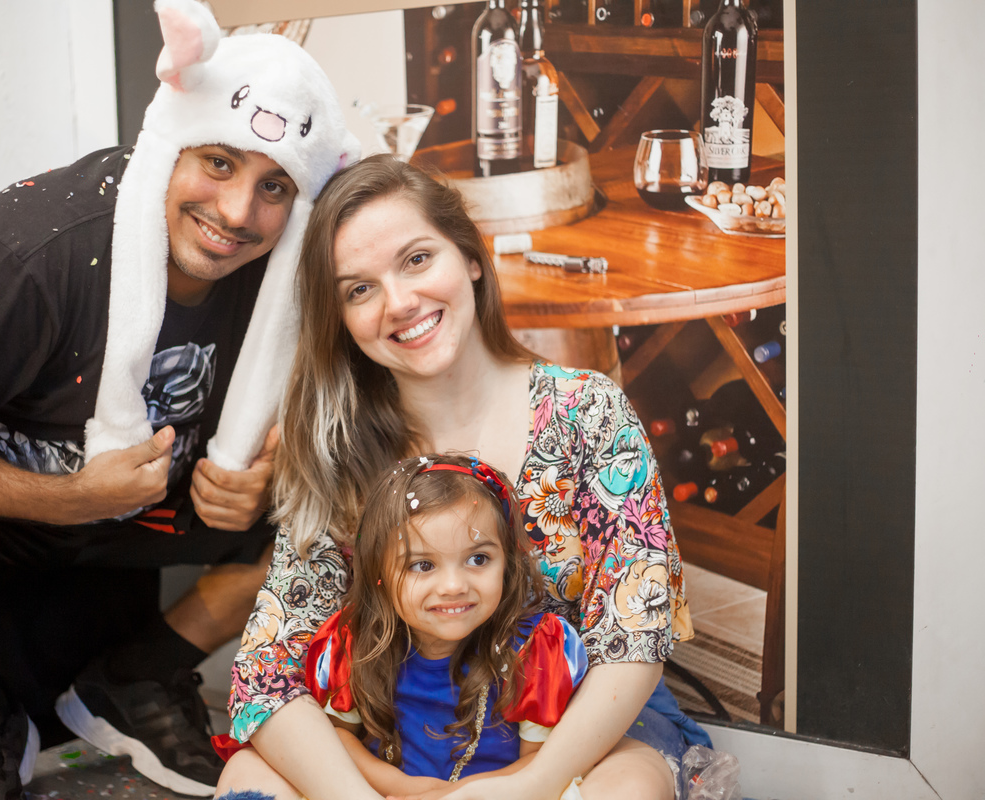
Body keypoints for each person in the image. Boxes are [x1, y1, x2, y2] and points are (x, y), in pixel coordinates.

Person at [0, 1, 359, 798]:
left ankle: (138, 676)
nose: (238, 214)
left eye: (273, 185)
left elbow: (333, 418)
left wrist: (267, 476)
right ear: (172, 140)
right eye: (218, 163)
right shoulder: (23, 252)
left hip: (150, 500)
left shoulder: (293, 266)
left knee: (359, 514)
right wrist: (69, 499)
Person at [215, 154, 709, 800]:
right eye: (359, 290)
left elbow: (635, 637)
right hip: (397, 736)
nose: (399, 302)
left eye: (417, 259)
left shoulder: (586, 411)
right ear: (339, 318)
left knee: (627, 791)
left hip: (578, 735)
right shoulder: (339, 449)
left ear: (470, 257)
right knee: (246, 777)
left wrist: (528, 788)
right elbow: (267, 675)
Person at [215, 453, 589, 796]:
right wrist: (405, 788)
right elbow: (338, 740)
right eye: (422, 565)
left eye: (478, 559)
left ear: (507, 561)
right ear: (380, 573)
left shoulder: (533, 650)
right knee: (245, 768)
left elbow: (539, 764)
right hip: (379, 794)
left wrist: (452, 796)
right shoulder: (359, 641)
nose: (454, 586)